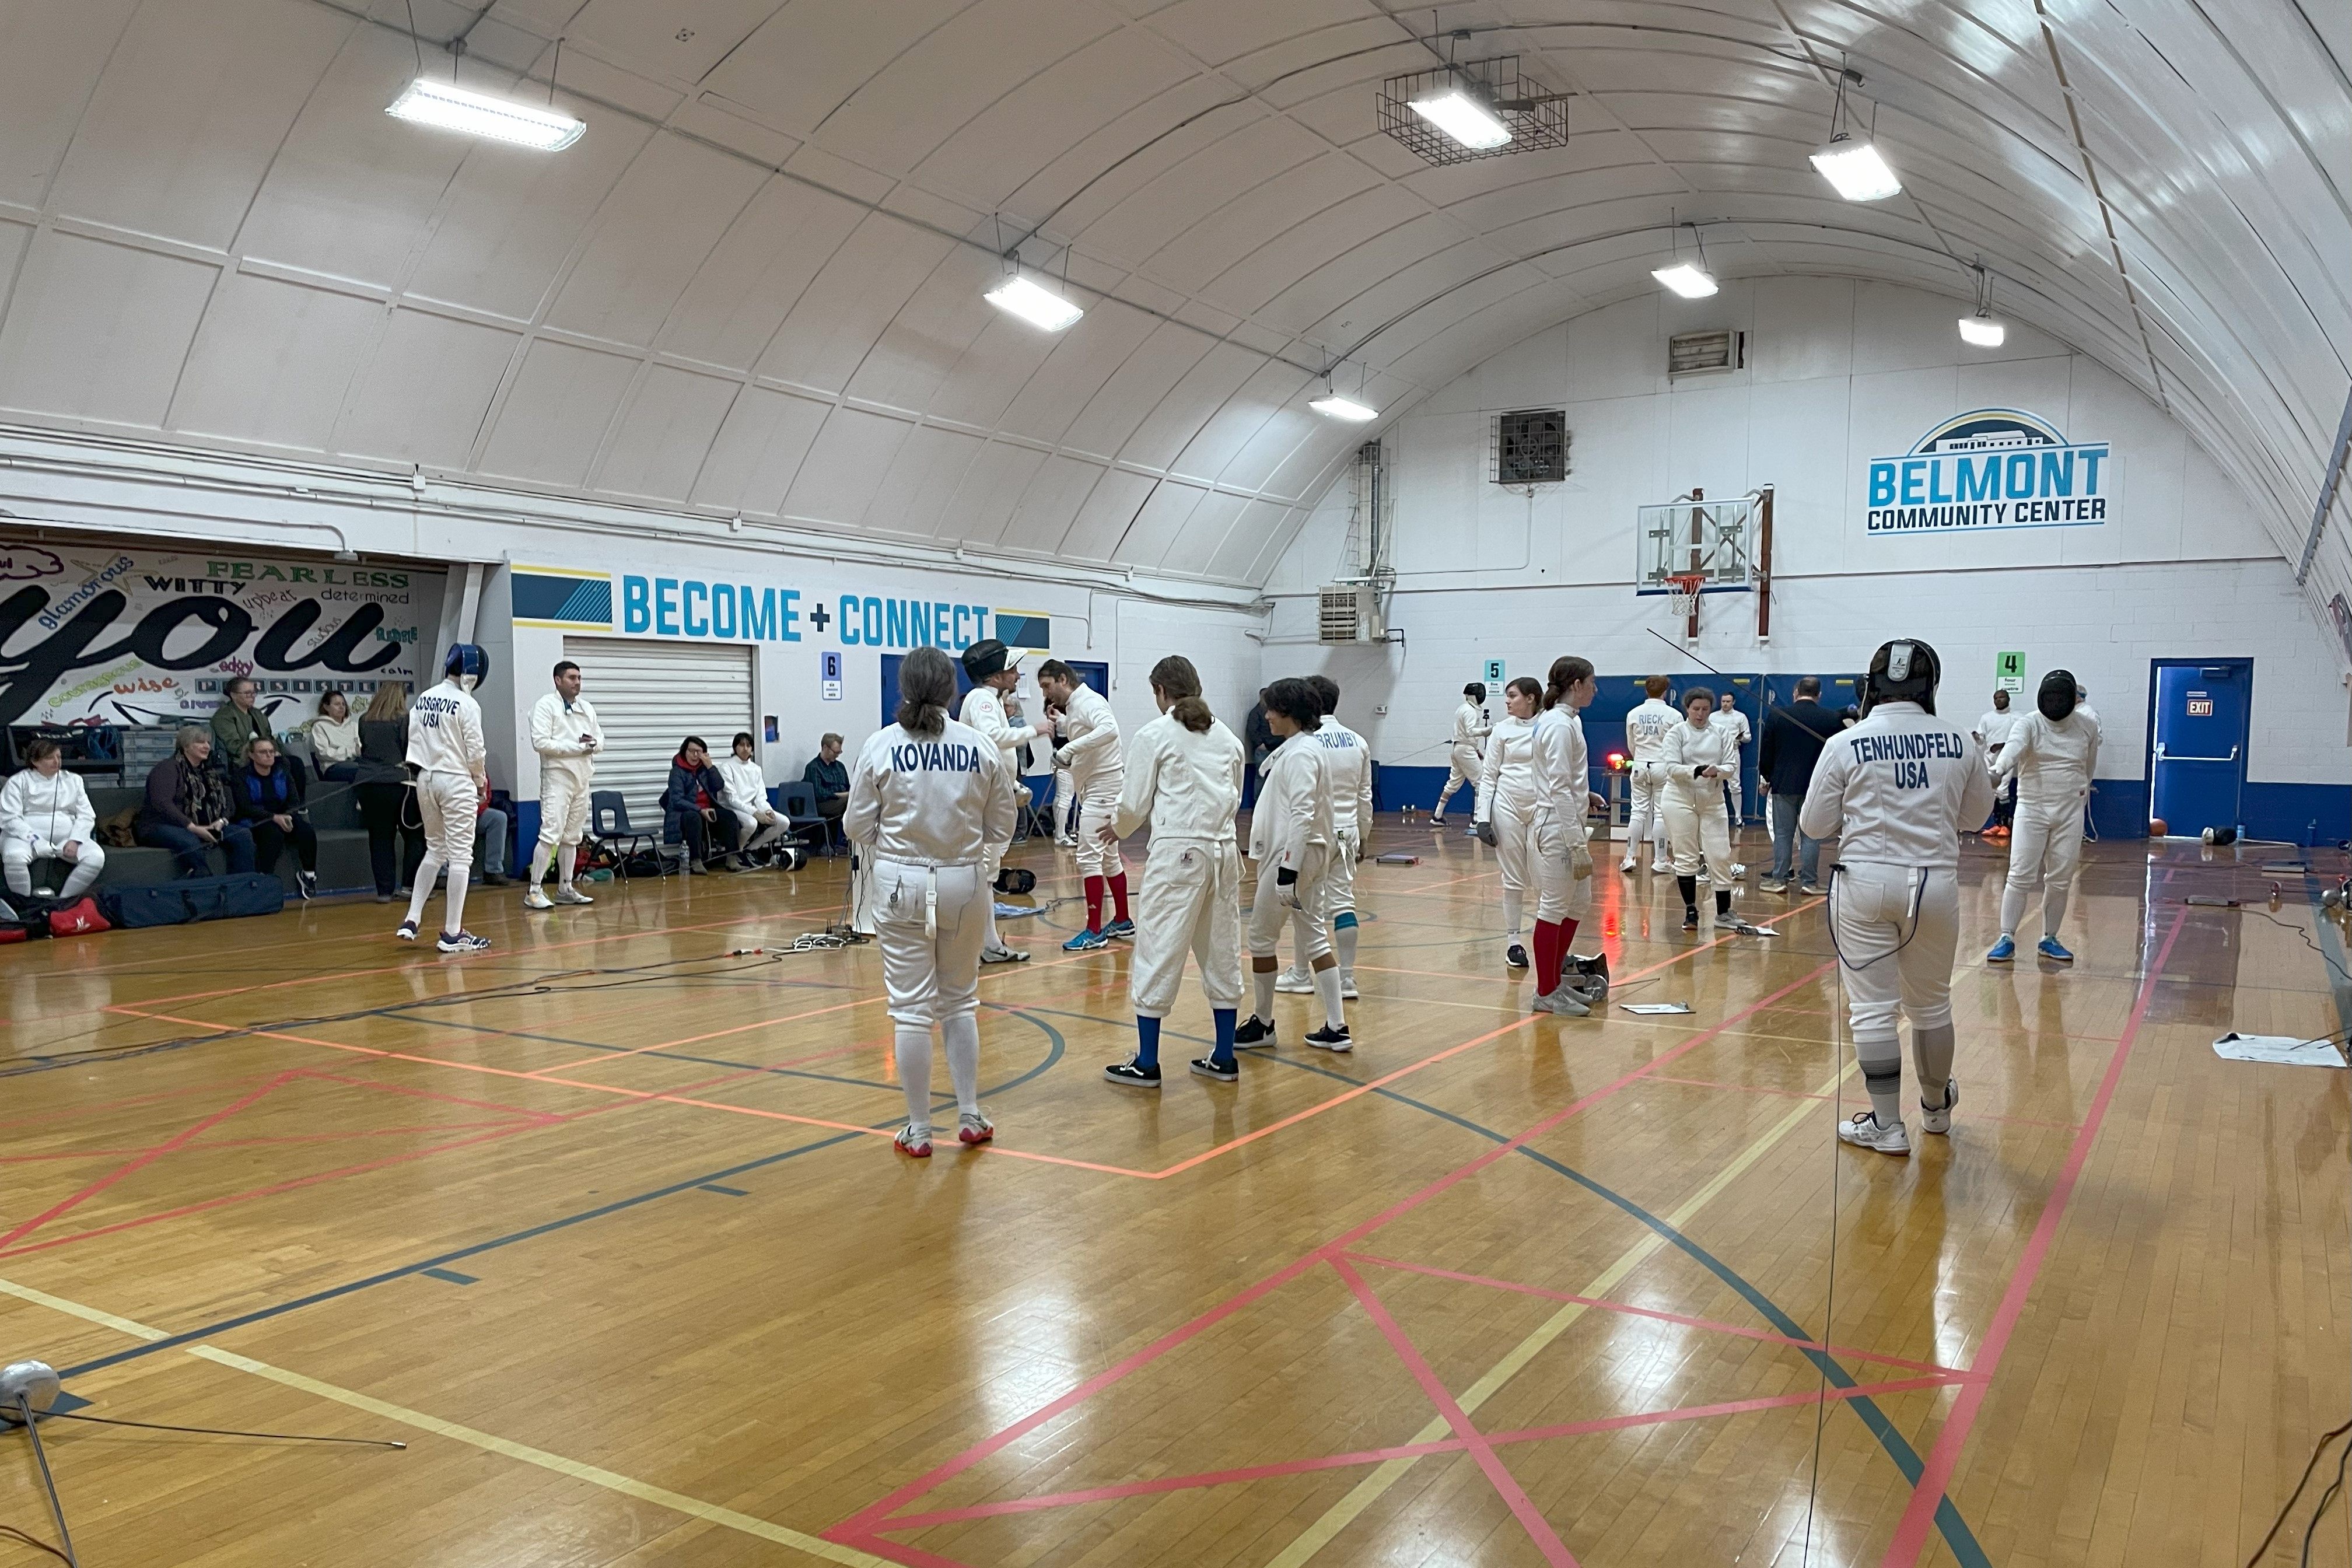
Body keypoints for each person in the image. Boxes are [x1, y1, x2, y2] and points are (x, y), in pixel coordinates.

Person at [1800, 639, 1993, 1156]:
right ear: (1930, 686)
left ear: (1872, 686)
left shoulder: (1846, 744)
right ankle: (1935, 1110)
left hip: (1863, 884)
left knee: (1872, 1010)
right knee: (1931, 1006)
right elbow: (1977, 819)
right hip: (1935, 884)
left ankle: (1887, 1126)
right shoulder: (1960, 741)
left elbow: (1814, 825)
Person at [845, 646, 1019, 1156]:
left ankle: (919, 1131)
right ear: (950, 690)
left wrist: (900, 844)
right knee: (960, 1000)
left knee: (911, 1010)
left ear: (905, 688)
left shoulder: (880, 746)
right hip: (964, 881)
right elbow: (1002, 824)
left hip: (899, 882)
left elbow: (856, 825)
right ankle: (969, 1115)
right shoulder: (979, 747)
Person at [1101, 656, 1248, 1086]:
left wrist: (1117, 827)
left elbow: (1133, 804)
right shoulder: (1228, 738)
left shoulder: (1155, 734)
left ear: (1161, 692)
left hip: (1179, 853)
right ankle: (1224, 1056)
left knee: (1158, 950)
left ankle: (1147, 1062)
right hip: (1223, 853)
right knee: (1221, 949)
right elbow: (1234, 795)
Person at [1237, 677, 1349, 1051]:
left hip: (1293, 856)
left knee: (1261, 938)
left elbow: (1303, 813)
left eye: (1272, 709)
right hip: (1305, 854)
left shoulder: (1302, 753)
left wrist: (1288, 869)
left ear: (1290, 713)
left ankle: (1264, 1024)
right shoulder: (1300, 748)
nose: (1266, 715)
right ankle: (1337, 1026)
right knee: (1314, 936)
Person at [1987, 669, 2101, 964]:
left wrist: (2077, 793)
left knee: (2061, 879)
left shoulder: (2087, 726)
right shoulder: (2029, 724)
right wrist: (1998, 772)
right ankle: (2006, 937)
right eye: (2049, 696)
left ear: (2071, 698)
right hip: (2032, 808)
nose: (2054, 702)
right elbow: (2013, 749)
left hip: (2069, 811)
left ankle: (2049, 938)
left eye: (2059, 697)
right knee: (2020, 875)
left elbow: (2088, 768)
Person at [1277, 674, 1373, 998]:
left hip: (1315, 836)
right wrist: (1365, 834)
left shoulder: (1306, 743)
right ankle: (1346, 978)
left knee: (1306, 907)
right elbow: (1365, 797)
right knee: (1343, 904)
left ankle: (1302, 973)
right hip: (1348, 835)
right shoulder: (1358, 741)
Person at [1528, 657, 1610, 1015]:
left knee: (1578, 904)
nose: (1595, 689)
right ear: (1576, 684)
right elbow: (1558, 786)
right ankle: (1545, 992)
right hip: (1558, 828)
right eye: (1592, 683)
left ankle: (1556, 983)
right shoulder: (1559, 725)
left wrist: (1585, 795)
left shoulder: (1568, 722)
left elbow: (1563, 781)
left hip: (1568, 822)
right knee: (1553, 908)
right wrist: (1575, 841)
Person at [397, 645, 491, 953]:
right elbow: (475, 752)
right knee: (461, 857)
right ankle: (452, 933)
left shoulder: (425, 697)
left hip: (425, 780)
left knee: (435, 849)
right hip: (456, 780)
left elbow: (412, 737)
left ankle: (412, 919)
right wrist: (480, 783)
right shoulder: (467, 704)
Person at [1037, 660, 1133, 950]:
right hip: (1097, 787)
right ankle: (1123, 920)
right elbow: (1087, 730)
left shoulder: (1089, 700)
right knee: (1108, 858)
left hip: (1103, 790)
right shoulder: (1078, 706)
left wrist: (1068, 749)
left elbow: (1110, 730)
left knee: (1089, 858)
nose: (1046, 693)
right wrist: (1064, 726)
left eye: (1047, 686)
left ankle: (1094, 930)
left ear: (1063, 679)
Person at [958, 639, 1039, 964]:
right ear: (996, 674)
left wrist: (1012, 783)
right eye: (1013, 669)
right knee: (982, 875)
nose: (1018, 675)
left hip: (991, 797)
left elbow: (992, 752)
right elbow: (993, 738)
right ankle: (974, 947)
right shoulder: (982, 699)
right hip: (982, 802)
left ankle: (988, 945)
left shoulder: (987, 698)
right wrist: (1036, 729)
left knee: (987, 875)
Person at [1472, 677, 1542, 970]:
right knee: (1513, 878)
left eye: (1513, 696)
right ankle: (1514, 943)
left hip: (1542, 808)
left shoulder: (1551, 725)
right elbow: (1488, 777)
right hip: (1507, 807)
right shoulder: (1501, 730)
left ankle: (1547, 943)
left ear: (1531, 698)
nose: (1507, 701)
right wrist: (1483, 818)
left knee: (1545, 880)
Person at [523, 660, 601, 910]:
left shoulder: (587, 708)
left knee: (573, 837)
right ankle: (534, 891)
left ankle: (566, 888)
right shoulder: (545, 706)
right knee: (551, 834)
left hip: (582, 778)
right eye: (572, 678)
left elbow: (600, 741)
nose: (577, 682)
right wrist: (577, 747)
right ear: (558, 680)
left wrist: (590, 746)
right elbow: (540, 743)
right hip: (557, 778)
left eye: (579, 677)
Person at [1662, 687, 1740, 931]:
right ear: (1687, 708)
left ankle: (1724, 913)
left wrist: (1717, 771)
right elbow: (1672, 768)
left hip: (1713, 798)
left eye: (1705, 709)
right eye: (1696, 709)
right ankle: (1691, 911)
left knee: (1719, 854)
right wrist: (1697, 771)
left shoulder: (1721, 733)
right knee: (1686, 856)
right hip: (1679, 799)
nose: (1700, 714)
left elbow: (1730, 765)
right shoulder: (1676, 734)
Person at [138, 726, 254, 878]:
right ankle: (205, 882)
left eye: (208, 742)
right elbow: (162, 804)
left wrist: (221, 821)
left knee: (242, 834)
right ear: (186, 746)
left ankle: (242, 885)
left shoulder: (210, 772)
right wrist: (193, 827)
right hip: (162, 826)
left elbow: (229, 804)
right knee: (189, 840)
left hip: (207, 824)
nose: (206, 746)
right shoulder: (167, 768)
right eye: (200, 742)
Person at [1758, 677, 1837, 894]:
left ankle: (1779, 880)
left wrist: (1769, 777)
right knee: (1811, 835)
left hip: (1783, 785)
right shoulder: (1830, 719)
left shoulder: (1777, 715)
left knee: (1783, 834)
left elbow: (1766, 753)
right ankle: (1809, 882)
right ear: (1818, 695)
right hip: (1817, 787)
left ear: (1795, 693)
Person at [2, 738, 105, 899]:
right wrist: (35, 840)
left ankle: (64, 902)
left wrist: (75, 840)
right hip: (24, 838)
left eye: (59, 757)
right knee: (14, 857)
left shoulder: (74, 781)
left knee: (96, 857)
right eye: (50, 758)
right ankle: (24, 906)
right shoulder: (17, 782)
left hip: (66, 838)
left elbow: (87, 814)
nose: (57, 762)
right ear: (35, 761)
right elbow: (10, 818)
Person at [354, 683, 424, 902]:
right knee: (415, 836)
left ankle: (384, 891)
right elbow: (410, 753)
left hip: (368, 783)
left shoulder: (364, 720)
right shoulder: (405, 720)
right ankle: (409, 887)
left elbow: (366, 748)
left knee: (380, 839)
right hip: (399, 783)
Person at [230, 735, 318, 897]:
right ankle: (265, 878)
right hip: (255, 818)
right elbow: (245, 807)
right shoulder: (241, 776)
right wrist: (273, 817)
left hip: (283, 816)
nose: (269, 755)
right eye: (263, 752)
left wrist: (287, 816)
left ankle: (309, 875)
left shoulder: (282, 771)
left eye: (271, 751)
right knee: (273, 834)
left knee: (306, 831)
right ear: (251, 755)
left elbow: (294, 800)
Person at [1619, 676, 1679, 874]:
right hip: (1663, 766)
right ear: (1666, 692)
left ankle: (1629, 857)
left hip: (1640, 765)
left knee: (1637, 812)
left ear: (1647, 691)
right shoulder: (1674, 715)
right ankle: (1661, 860)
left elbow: (1631, 744)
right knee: (1661, 814)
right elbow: (1678, 745)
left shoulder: (1633, 714)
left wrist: (1639, 759)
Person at [662, 736, 744, 873]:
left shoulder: (704, 768)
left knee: (729, 817)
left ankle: (731, 858)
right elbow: (677, 800)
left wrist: (710, 767)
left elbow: (719, 785)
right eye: (691, 751)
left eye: (699, 752)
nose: (695, 755)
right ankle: (696, 860)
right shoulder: (677, 772)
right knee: (693, 818)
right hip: (686, 813)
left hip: (707, 809)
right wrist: (700, 810)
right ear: (684, 752)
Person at [716, 733, 790, 864]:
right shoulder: (727, 767)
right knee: (751, 823)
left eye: (748, 745)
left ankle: (751, 849)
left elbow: (761, 797)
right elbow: (732, 799)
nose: (745, 748)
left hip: (752, 808)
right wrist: (755, 813)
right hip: (732, 808)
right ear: (735, 748)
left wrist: (768, 811)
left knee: (784, 822)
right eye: (741, 745)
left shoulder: (756, 769)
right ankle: (735, 852)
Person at [1432, 681, 1489, 825]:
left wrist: (1476, 750)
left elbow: (1465, 733)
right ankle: (1477, 820)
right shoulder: (1469, 710)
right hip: (1464, 750)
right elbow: (1470, 731)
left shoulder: (1463, 709)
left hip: (1459, 749)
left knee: (1453, 783)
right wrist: (1489, 731)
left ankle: (1437, 816)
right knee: (1481, 783)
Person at [1973, 689, 2017, 838]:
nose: (1998, 700)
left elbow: (2018, 741)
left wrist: (2002, 745)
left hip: (2007, 759)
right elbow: (1981, 739)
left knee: (2003, 790)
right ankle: (1997, 825)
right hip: (1989, 759)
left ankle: (2006, 826)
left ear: (2008, 699)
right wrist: (1975, 737)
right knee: (1992, 792)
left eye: (2001, 697)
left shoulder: (2016, 718)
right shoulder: (1987, 718)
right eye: (1996, 698)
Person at [209, 676, 272, 768]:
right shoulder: (224, 716)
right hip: (240, 762)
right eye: (247, 693)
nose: (252, 696)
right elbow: (233, 746)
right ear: (234, 695)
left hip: (264, 757)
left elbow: (269, 737)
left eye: (254, 693)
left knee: (292, 762)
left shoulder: (257, 714)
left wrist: (274, 752)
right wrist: (257, 755)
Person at [1716, 689, 1752, 835]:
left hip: (1733, 752)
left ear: (1733, 702)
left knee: (1735, 785)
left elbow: (1748, 737)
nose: (1725, 704)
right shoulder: (1713, 717)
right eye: (1723, 701)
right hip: (1715, 754)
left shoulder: (1740, 717)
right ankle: (1717, 816)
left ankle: (1738, 817)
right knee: (1715, 784)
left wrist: (1740, 738)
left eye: (1728, 702)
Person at [308, 690, 361, 782]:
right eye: (337, 704)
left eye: (343, 704)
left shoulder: (354, 726)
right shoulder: (319, 726)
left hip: (357, 762)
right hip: (332, 767)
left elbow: (360, 747)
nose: (341, 707)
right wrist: (352, 751)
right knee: (362, 771)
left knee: (375, 769)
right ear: (326, 707)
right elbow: (324, 753)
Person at [1242, 688, 1276, 810]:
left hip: (1275, 748)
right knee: (1261, 777)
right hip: (1265, 750)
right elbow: (1252, 729)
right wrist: (1260, 744)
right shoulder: (1256, 712)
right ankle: (1259, 805)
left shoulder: (1271, 712)